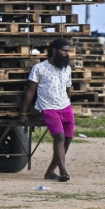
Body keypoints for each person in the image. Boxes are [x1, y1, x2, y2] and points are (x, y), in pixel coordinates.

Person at [20, 38, 74, 182]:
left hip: (65, 106)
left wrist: (69, 104)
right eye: (64, 50)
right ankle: (63, 171)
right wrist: (23, 113)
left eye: (68, 51)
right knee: (60, 137)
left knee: (68, 139)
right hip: (48, 107)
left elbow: (68, 89)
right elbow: (30, 91)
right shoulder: (39, 68)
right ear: (55, 51)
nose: (67, 54)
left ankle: (50, 172)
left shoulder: (67, 69)